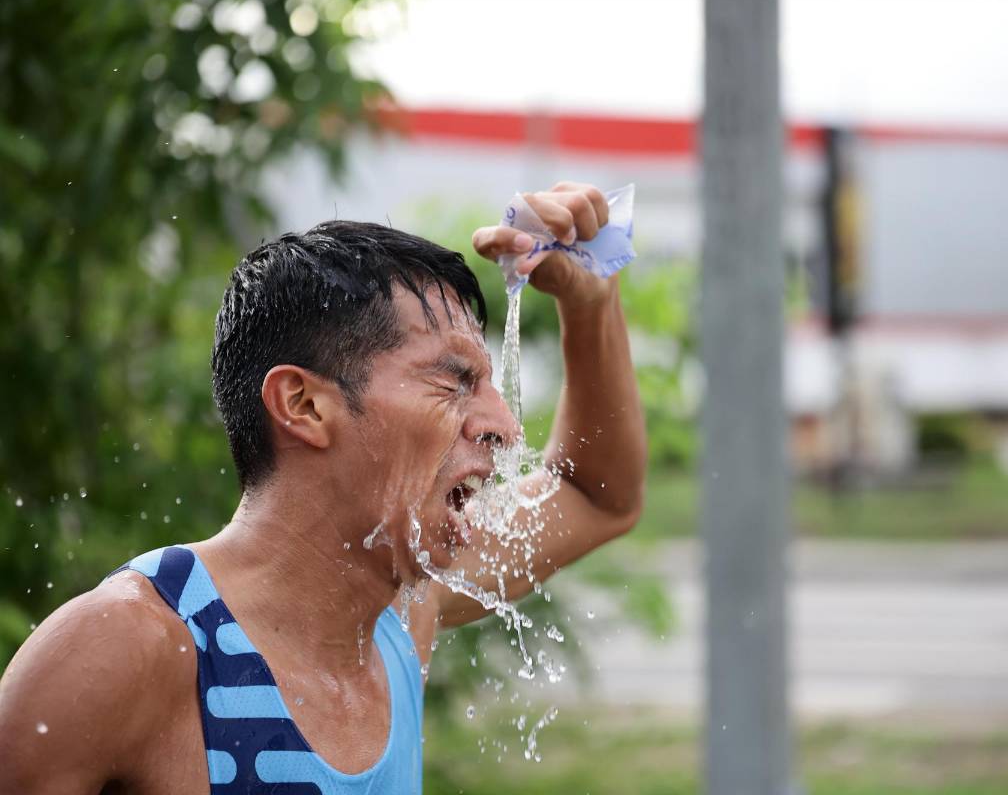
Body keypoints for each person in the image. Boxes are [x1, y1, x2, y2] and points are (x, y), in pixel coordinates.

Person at [0, 181, 647, 794]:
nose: (504, 427)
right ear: (304, 405)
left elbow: (595, 495)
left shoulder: (400, 615)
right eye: (454, 381)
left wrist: (591, 306)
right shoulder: (127, 650)